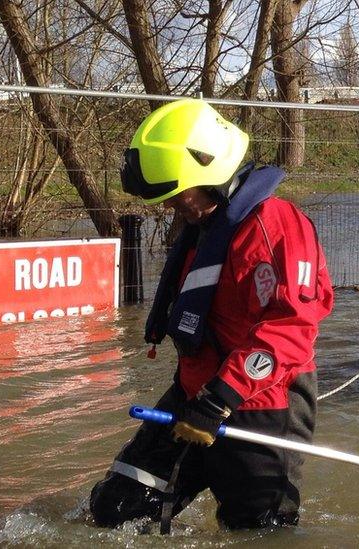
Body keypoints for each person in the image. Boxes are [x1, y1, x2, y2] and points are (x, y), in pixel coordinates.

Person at [89, 99, 334, 529]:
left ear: (212, 173)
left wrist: (221, 397)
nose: (170, 206)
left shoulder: (275, 227)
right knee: (115, 508)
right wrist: (204, 398)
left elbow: (291, 328)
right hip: (194, 394)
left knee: (258, 533)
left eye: (177, 195)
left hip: (262, 403)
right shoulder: (209, 226)